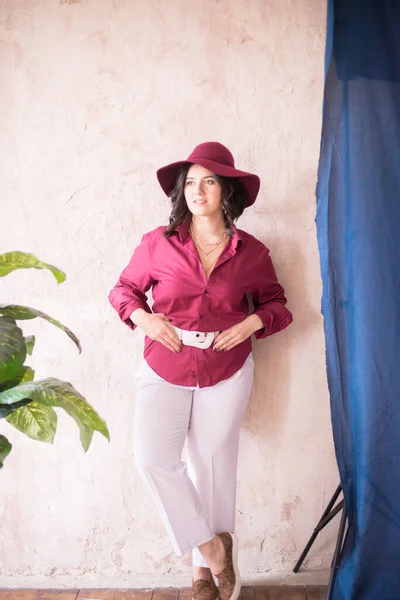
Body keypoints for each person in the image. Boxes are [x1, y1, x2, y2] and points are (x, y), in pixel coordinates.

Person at [108, 141, 293, 600]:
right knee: (152, 459)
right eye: (190, 182)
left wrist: (250, 321)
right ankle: (212, 549)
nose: (197, 190)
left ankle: (202, 580)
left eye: (208, 181)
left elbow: (277, 305)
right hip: (164, 362)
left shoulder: (251, 252)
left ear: (226, 191)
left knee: (212, 465)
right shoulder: (158, 243)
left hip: (227, 368)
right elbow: (123, 290)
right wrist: (145, 318)